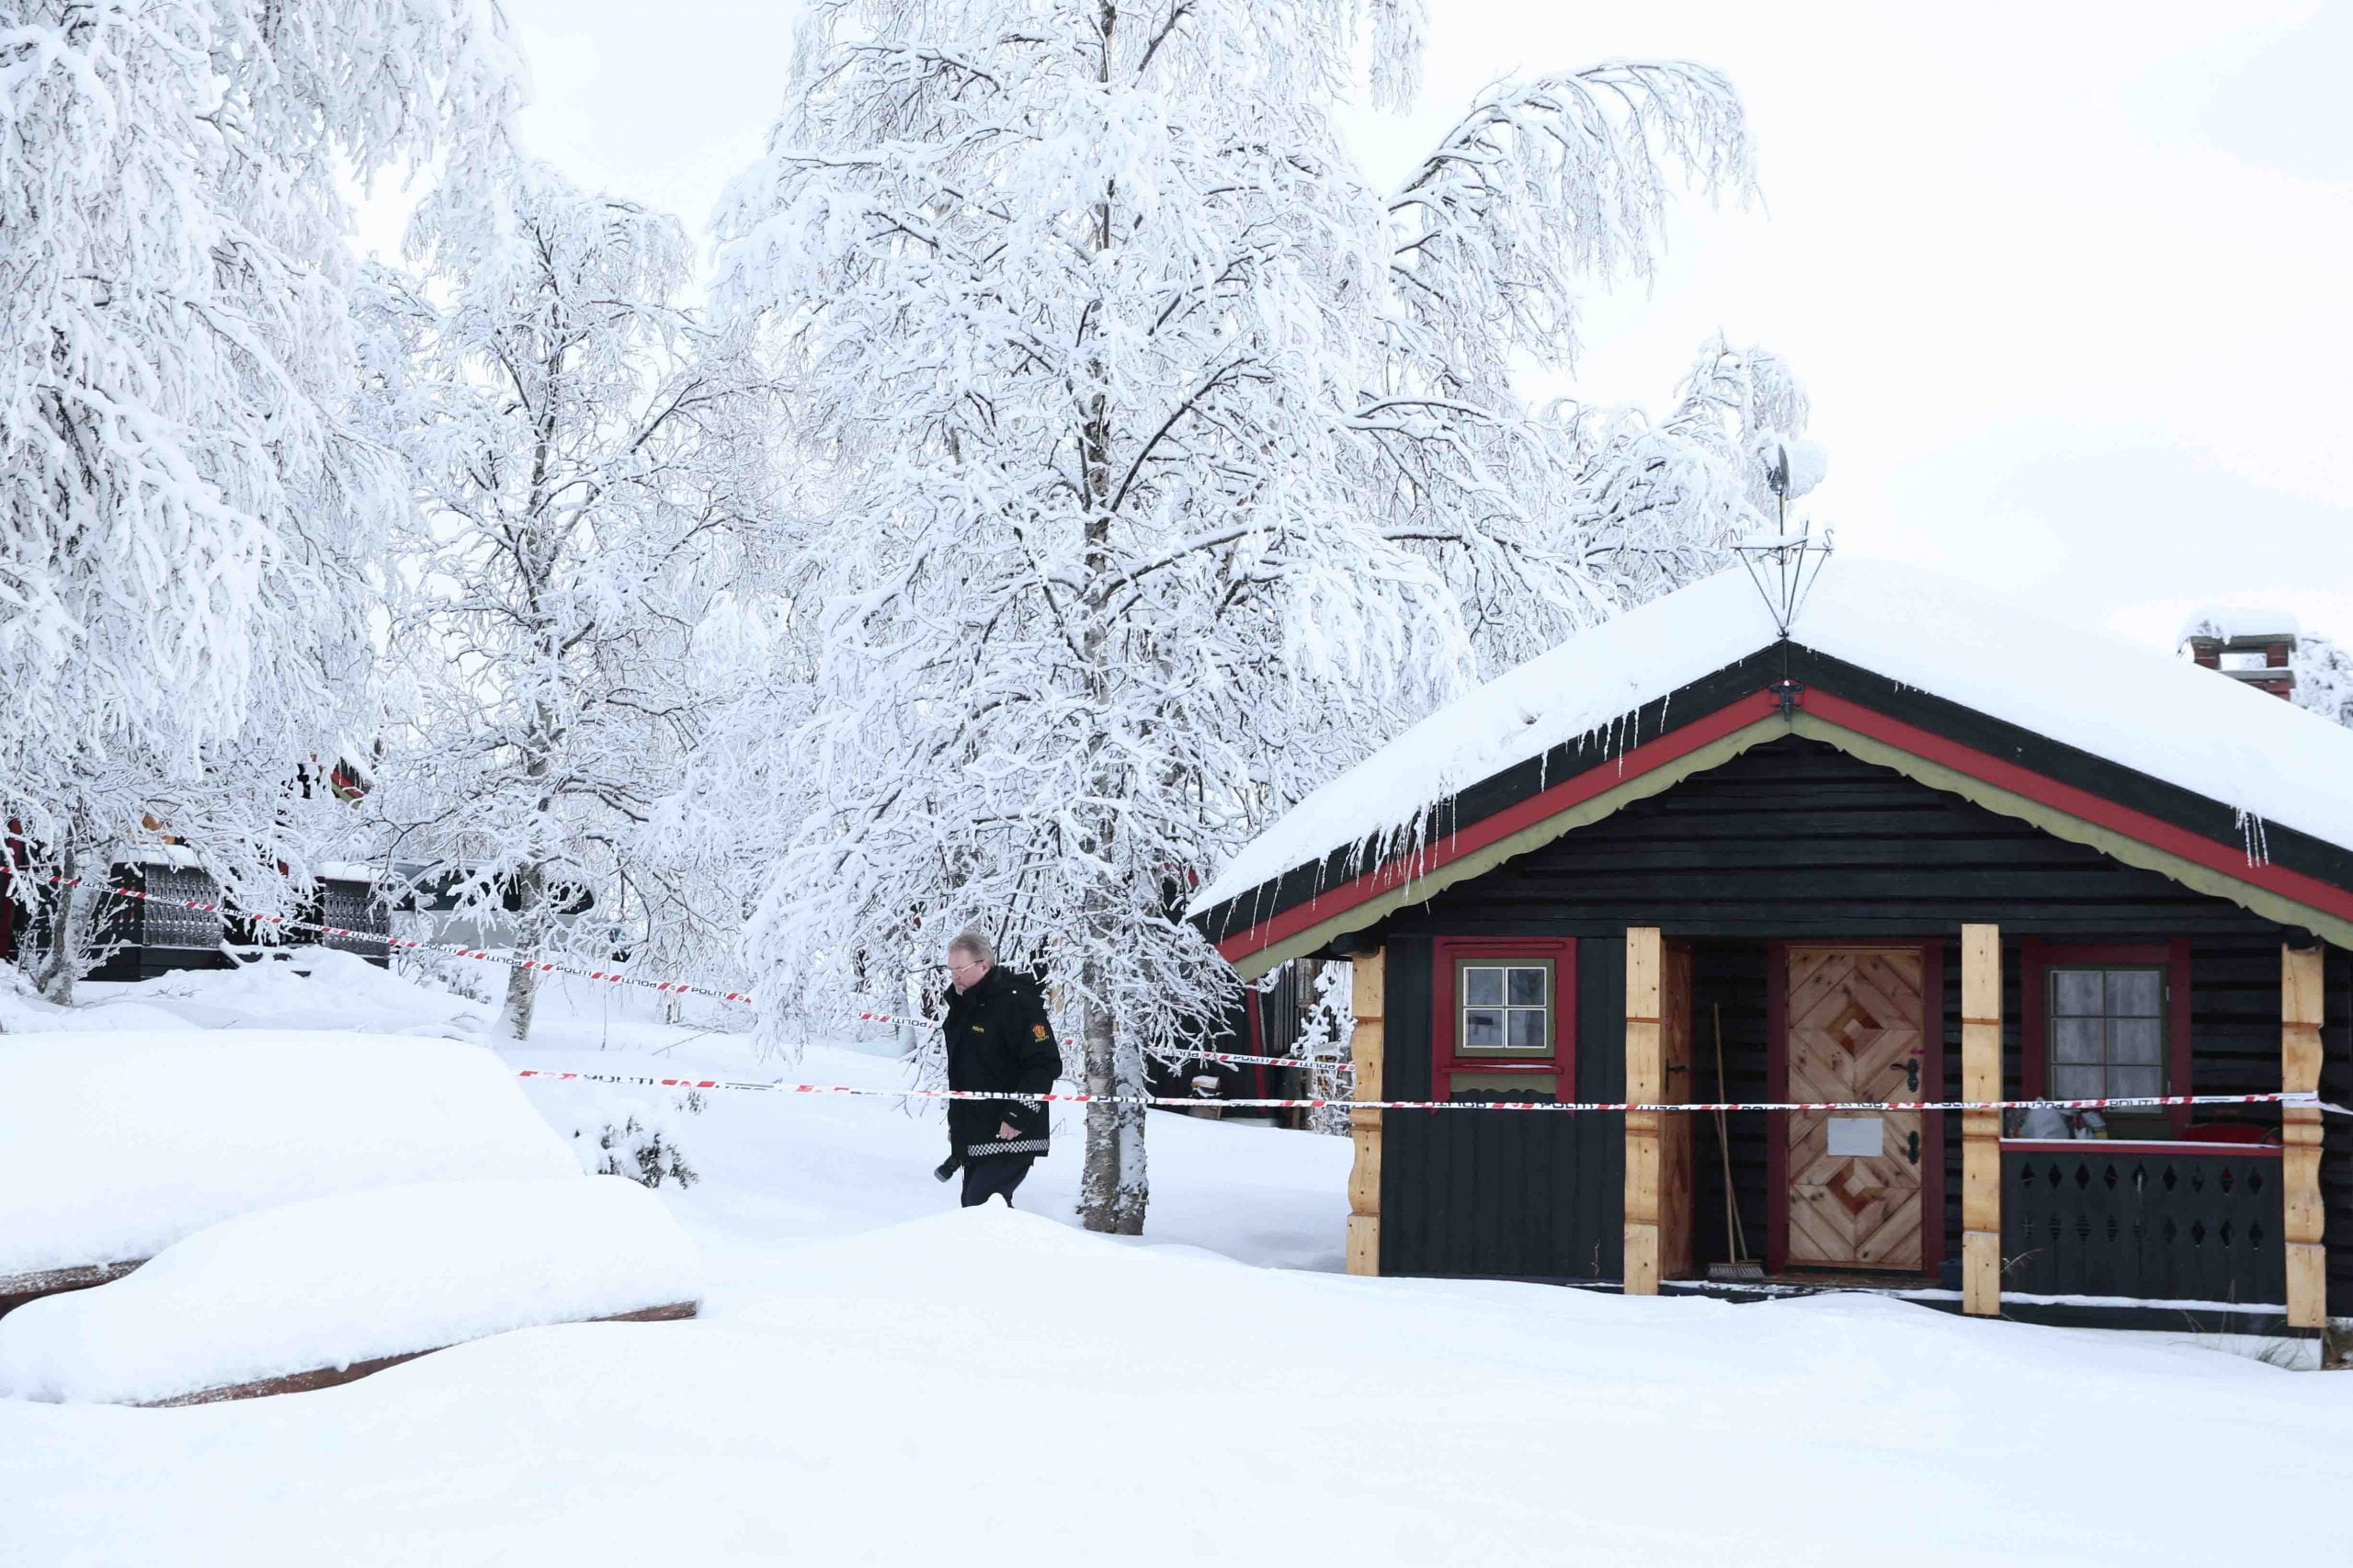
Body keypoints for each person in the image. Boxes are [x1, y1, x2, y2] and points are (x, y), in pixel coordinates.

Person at [933, 927, 1061, 1208]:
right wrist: (959, 1122)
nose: (954, 975)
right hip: (975, 1127)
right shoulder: (962, 1004)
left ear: (984, 965)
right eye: (950, 968)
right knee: (973, 1206)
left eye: (961, 968)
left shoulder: (1017, 1003)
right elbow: (966, 1069)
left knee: (983, 1207)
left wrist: (1019, 1113)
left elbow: (1044, 1063)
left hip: (1012, 1130)